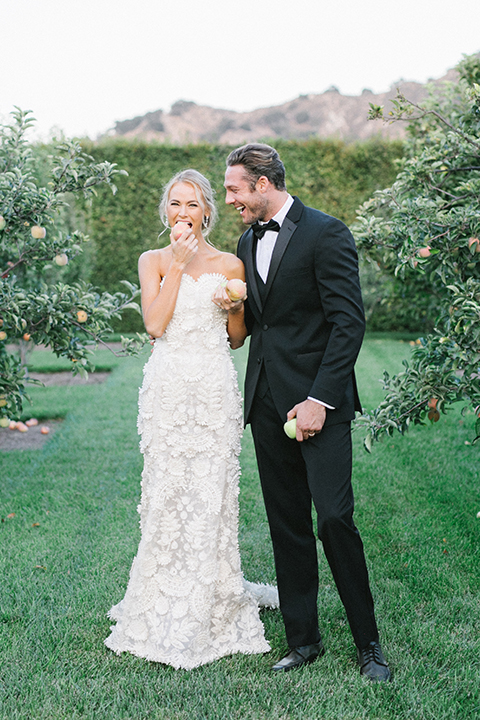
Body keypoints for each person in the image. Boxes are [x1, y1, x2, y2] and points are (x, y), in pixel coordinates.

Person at [221, 144, 391, 681]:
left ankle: (369, 646)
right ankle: (303, 640)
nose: (229, 201)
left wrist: (319, 400)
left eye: (234, 190)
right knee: (286, 524)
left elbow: (349, 324)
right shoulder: (247, 240)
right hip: (267, 402)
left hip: (320, 403)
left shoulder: (327, 232)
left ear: (264, 183)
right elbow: (259, 324)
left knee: (335, 519)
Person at [104, 169, 278, 670]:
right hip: (167, 391)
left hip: (214, 390)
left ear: (207, 211)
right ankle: (160, 593)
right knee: (166, 491)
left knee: (211, 494)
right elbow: (155, 325)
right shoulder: (153, 260)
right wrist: (178, 266)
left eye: (193, 203)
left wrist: (233, 303)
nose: (183, 212)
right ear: (167, 211)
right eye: (175, 203)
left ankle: (215, 592)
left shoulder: (229, 262)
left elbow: (238, 337)